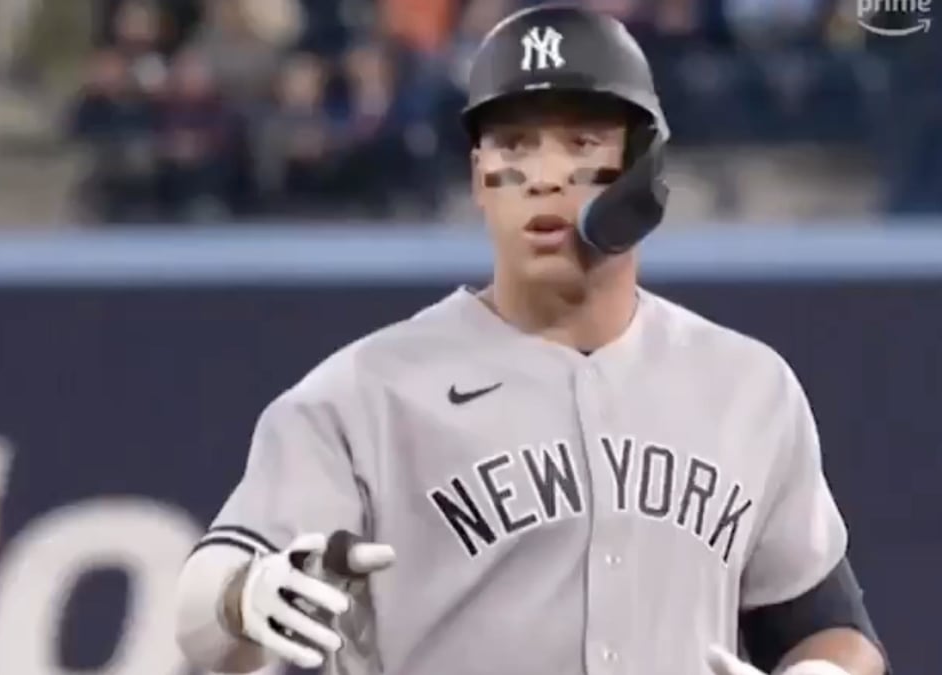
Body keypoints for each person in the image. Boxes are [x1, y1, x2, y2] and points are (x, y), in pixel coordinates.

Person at [173, 5, 891, 675]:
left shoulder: (747, 387)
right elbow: (199, 609)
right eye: (514, 144)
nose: (544, 176)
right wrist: (246, 591)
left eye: (581, 142)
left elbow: (829, 625)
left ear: (645, 168)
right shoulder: (365, 392)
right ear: (480, 177)